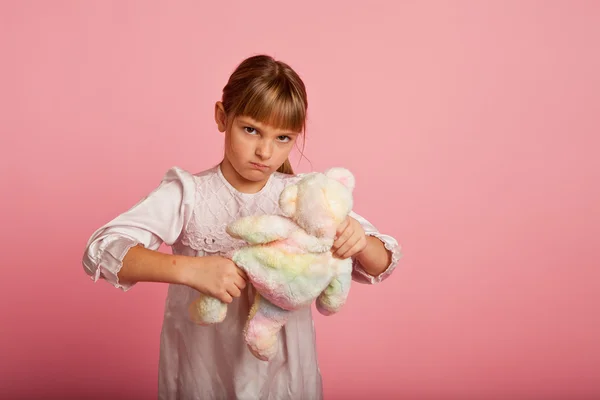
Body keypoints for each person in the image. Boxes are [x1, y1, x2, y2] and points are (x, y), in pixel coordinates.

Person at [82, 54, 402, 400]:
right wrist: (190, 270)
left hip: (284, 376)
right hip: (204, 371)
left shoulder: (309, 196)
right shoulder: (189, 194)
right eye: (251, 130)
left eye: (283, 138)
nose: (265, 151)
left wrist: (359, 238)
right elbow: (101, 250)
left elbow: (383, 262)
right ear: (222, 117)